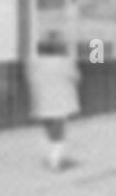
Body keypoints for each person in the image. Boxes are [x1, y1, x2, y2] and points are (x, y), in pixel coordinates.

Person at [28, 33, 81, 170]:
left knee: (49, 132)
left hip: (42, 100)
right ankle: (54, 160)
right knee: (59, 133)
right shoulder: (65, 62)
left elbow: (31, 79)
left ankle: (51, 155)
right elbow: (76, 77)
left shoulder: (34, 62)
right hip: (60, 100)